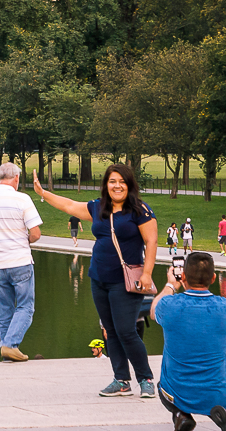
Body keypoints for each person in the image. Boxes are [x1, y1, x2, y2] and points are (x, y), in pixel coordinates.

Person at [35, 163, 158, 398]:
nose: (117, 185)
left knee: (126, 331)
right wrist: (43, 193)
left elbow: (151, 242)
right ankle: (121, 380)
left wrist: (147, 273)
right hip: (99, 278)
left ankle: (146, 379)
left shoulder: (140, 210)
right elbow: (70, 205)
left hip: (126, 280)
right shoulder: (98, 207)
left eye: (122, 181)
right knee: (110, 331)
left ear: (129, 184)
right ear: (106, 185)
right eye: (112, 181)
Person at [152, 251, 226, 431]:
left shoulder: (170, 305)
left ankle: (181, 415)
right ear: (214, 278)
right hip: (216, 393)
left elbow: (154, 310)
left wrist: (171, 283)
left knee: (162, 386)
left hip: (177, 391)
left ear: (183, 275)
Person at [0, 161, 43, 362]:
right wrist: (23, 238)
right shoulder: (22, 199)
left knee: (4, 314)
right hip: (19, 261)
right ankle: (10, 345)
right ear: (17, 178)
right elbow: (36, 233)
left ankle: (8, 355)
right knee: (26, 308)